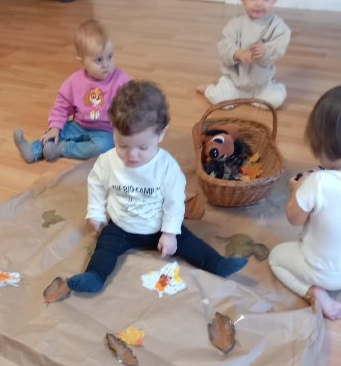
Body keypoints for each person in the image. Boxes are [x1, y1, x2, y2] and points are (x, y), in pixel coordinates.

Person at [43, 80, 247, 302]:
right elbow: (96, 184)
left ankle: (217, 263)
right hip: (120, 226)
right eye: (122, 145)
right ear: (113, 130)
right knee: (104, 248)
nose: (132, 155)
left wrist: (169, 233)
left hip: (158, 226)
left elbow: (174, 202)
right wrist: (96, 212)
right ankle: (95, 276)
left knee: (189, 241)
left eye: (143, 147)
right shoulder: (107, 162)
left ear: (161, 134)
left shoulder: (166, 167)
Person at [269, 85, 341, 320]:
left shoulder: (318, 182)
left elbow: (294, 219)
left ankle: (315, 293)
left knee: (276, 257)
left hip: (323, 273)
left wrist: (297, 191)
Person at [13, 19, 130, 163]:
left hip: (105, 131)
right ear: (82, 60)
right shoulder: (74, 82)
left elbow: (132, 106)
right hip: (78, 125)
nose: (106, 64)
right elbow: (61, 106)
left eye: (110, 57)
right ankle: (34, 150)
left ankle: (62, 148)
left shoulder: (121, 80)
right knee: (57, 133)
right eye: (99, 60)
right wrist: (55, 127)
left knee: (102, 147)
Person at [197, 0, 290, 109]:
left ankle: (261, 91)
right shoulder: (235, 25)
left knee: (275, 99)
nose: (259, 3)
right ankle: (210, 89)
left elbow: (279, 48)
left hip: (261, 84)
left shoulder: (278, 27)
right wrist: (237, 53)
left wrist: (266, 51)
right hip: (234, 81)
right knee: (220, 100)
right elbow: (224, 45)